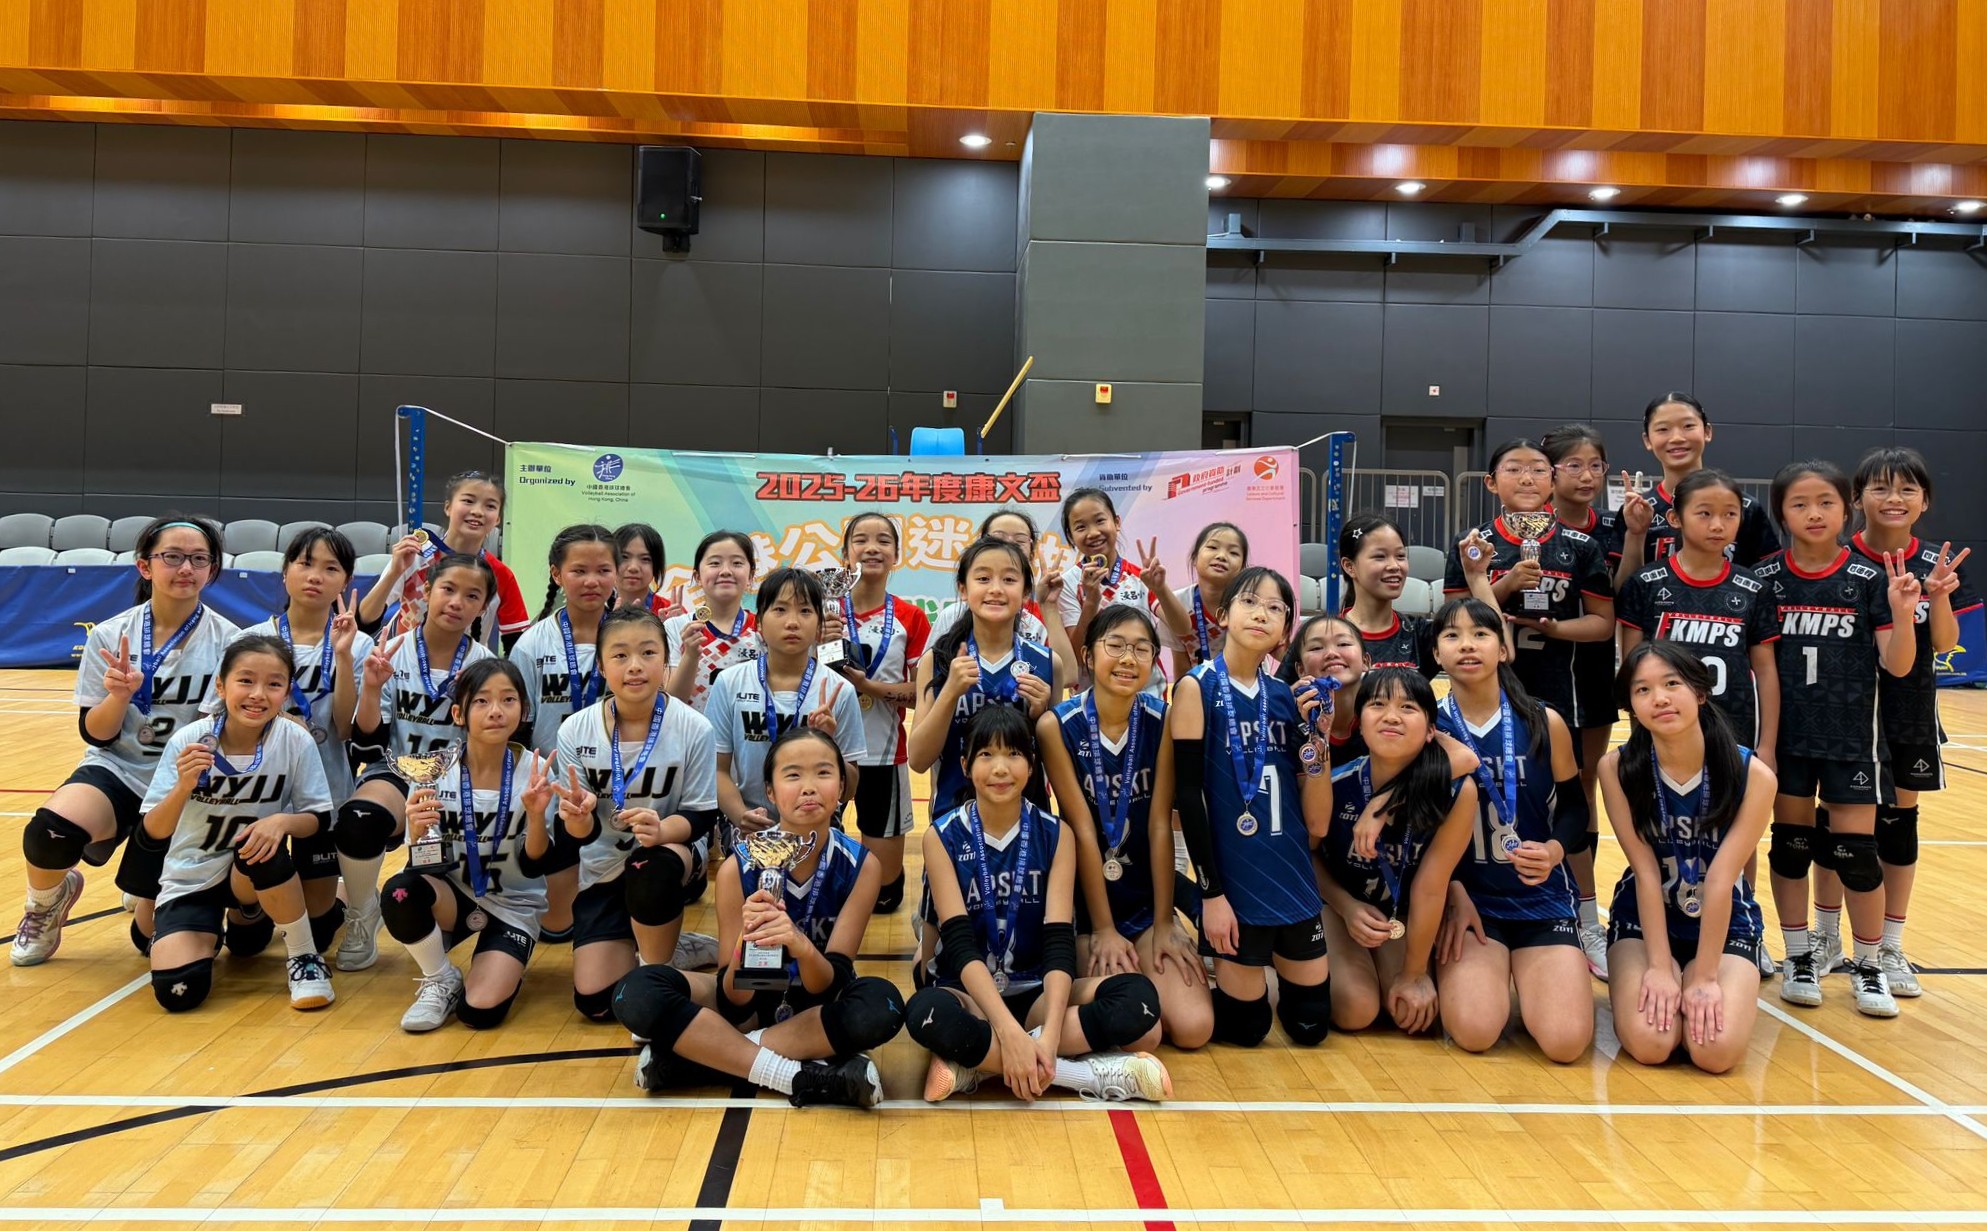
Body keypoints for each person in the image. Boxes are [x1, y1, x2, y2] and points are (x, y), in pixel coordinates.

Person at [610, 727, 902, 1107]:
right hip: (747, 1006)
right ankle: (799, 1076)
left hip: (815, 1007)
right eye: (793, 775)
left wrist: (799, 945)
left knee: (882, 1005)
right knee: (635, 992)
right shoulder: (738, 867)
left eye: (823, 773)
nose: (809, 787)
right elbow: (733, 999)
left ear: (842, 786)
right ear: (770, 792)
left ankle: (698, 1059)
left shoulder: (862, 866)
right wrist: (746, 943)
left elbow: (831, 983)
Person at [907, 706, 1172, 1102]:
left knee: (1140, 1000)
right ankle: (1083, 1076)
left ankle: (978, 1064)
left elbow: (1059, 944)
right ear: (965, 766)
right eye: (986, 755)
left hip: (1036, 991)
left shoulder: (1056, 835)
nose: (1000, 768)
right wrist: (1010, 1032)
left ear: (1032, 766)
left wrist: (1048, 1035)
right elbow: (960, 947)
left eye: (1013, 754)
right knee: (924, 1013)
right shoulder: (942, 836)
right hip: (970, 996)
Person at [12, 515, 240, 966]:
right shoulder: (111, 634)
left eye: (199, 559)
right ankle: (46, 903)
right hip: (119, 767)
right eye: (172, 557)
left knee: (150, 939)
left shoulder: (230, 641)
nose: (186, 568)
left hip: (186, 781)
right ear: (144, 566)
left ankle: (153, 878)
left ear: (212, 570)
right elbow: (95, 733)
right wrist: (118, 697)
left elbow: (222, 733)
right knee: (49, 832)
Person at [1757, 460, 1921, 1016]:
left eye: (1825, 502)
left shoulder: (1869, 579)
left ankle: (1868, 965)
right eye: (1799, 504)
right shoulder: (1763, 580)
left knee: (1858, 857)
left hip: (1852, 740)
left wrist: (1903, 615)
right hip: (1788, 738)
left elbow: (1898, 665)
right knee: (1791, 848)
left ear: (1845, 508)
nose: (1814, 513)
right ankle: (1799, 955)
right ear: (1781, 513)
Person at [1819, 448, 1977, 995]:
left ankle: (1889, 945)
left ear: (1924, 501)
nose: (1894, 499)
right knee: (1834, 825)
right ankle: (1826, 936)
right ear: (1857, 498)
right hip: (1842, 714)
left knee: (1898, 826)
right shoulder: (1837, 558)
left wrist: (1938, 598)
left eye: (1907, 489)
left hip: (1909, 713)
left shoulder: (1938, 561)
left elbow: (1947, 644)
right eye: (1880, 488)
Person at [1171, 566, 1336, 1048]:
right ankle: (1186, 901)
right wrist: (1211, 895)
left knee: (1310, 1027)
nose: (1261, 613)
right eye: (1249, 602)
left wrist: (1320, 740)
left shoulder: (1286, 698)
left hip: (1290, 872)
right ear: (1223, 615)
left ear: (1286, 631)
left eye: (1275, 608)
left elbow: (1317, 818)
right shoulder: (1196, 688)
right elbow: (1189, 796)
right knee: (1247, 1030)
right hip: (1233, 881)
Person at [1038, 606, 1212, 1049]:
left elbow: (1159, 825)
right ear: (1088, 655)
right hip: (1086, 907)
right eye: (1114, 645)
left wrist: (1164, 922)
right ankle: (1048, 1007)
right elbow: (1081, 829)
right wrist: (1103, 929)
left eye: (1141, 649)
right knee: (1141, 1030)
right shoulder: (1056, 726)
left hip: (1144, 903)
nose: (1128, 659)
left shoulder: (1164, 719)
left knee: (1194, 1028)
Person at [1429, 597, 1593, 1064]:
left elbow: (1575, 809)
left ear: (1503, 650)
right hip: (1469, 905)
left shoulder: (1544, 721)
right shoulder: (1430, 727)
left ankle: (1534, 976)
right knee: (1475, 1031)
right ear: (1437, 653)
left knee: (1565, 1043)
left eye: (1481, 634)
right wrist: (1452, 890)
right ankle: (1490, 976)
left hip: (1541, 900)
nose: (1467, 645)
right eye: (1452, 636)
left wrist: (1556, 850)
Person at [1599, 642, 1772, 1073]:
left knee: (1714, 1051)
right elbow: (1644, 871)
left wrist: (1706, 977)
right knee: (1652, 1043)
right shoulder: (1616, 769)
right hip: (1644, 920)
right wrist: (1660, 968)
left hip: (1725, 923)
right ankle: (1669, 970)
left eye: (1671, 684)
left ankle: (1699, 972)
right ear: (1631, 705)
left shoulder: (1753, 775)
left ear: (1699, 691)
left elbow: (1722, 879)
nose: (1659, 698)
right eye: (1642, 690)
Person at [140, 635, 335, 1011]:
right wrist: (182, 787)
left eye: (274, 684)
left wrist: (283, 821)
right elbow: (153, 831)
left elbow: (319, 818)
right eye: (246, 680)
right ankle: (204, 927)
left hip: (249, 874)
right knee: (178, 992)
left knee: (263, 845)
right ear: (221, 685)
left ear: (286, 692)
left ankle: (303, 956)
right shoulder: (190, 739)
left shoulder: (295, 740)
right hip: (191, 876)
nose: (258, 694)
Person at [201, 526, 369, 957]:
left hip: (323, 791)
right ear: (285, 571)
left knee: (319, 928)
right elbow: (217, 718)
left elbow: (346, 729)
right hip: (258, 792)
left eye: (330, 568)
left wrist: (344, 655)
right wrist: (276, 718)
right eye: (305, 563)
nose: (315, 576)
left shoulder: (359, 643)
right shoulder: (249, 641)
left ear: (346, 581)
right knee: (246, 943)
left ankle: (337, 903)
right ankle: (251, 906)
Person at [556, 606, 723, 1022]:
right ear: (601, 665)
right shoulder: (575, 730)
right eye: (620, 655)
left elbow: (701, 815)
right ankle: (672, 947)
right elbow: (579, 832)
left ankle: (656, 974)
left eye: (648, 653)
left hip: (670, 857)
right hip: (605, 867)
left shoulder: (693, 727)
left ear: (665, 660)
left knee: (650, 869)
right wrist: (578, 817)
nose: (635, 666)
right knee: (595, 1002)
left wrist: (662, 830)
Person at [333, 553, 496, 973]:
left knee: (423, 896)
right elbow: (367, 742)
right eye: (448, 589)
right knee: (358, 818)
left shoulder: (485, 666)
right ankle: (362, 911)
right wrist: (372, 688)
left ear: (483, 607)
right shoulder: (393, 650)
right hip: (396, 770)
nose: (457, 602)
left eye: (472, 596)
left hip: (457, 783)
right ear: (426, 591)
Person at [386, 659, 562, 1032]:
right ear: (458, 713)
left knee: (480, 1013)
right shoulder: (433, 770)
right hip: (455, 896)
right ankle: (439, 977)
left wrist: (535, 816)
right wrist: (416, 831)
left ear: (523, 710)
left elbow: (535, 864)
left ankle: (503, 964)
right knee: (400, 892)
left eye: (508, 700)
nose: (496, 711)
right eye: (481, 701)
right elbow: (422, 864)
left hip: (514, 905)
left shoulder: (537, 773)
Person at [1316, 668, 1477, 1034]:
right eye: (1377, 705)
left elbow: (1431, 887)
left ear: (1431, 730)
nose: (1391, 716)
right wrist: (1346, 906)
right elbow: (1306, 857)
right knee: (1356, 1010)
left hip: (1398, 913)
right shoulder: (1336, 784)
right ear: (1359, 725)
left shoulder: (1456, 792)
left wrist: (1415, 974)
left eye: (1408, 707)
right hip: (1338, 907)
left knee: (1407, 1011)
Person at [1540, 424, 1626, 978]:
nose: (1587, 475)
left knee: (1581, 787)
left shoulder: (1612, 529)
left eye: (1596, 465)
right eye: (1574, 464)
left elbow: (1620, 596)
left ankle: (1584, 912)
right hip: (1529, 673)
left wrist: (1634, 538)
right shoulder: (1519, 531)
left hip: (1589, 673)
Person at [509, 524, 618, 945]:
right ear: (557, 574)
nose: (592, 581)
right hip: (554, 786)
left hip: (619, 779)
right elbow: (519, 728)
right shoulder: (532, 644)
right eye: (579, 571)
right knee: (555, 929)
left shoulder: (630, 635)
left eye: (603, 570)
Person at [819, 511, 929, 914]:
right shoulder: (822, 613)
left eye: (883, 540)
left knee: (885, 894)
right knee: (815, 876)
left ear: (896, 555)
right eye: (861, 540)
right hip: (822, 754)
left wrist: (869, 688)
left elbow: (921, 695)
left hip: (883, 755)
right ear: (845, 554)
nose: (872, 548)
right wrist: (817, 644)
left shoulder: (911, 617)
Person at [707, 568, 868, 840]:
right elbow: (717, 769)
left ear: (819, 625)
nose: (792, 622)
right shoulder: (730, 682)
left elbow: (849, 790)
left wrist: (829, 743)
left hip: (817, 827)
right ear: (759, 623)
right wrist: (740, 815)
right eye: (780, 610)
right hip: (749, 826)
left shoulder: (839, 690)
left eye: (805, 611)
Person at [909, 537, 1059, 815]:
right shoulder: (937, 660)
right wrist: (950, 693)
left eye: (1009, 579)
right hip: (955, 818)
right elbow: (918, 760)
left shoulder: (1048, 662)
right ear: (963, 589)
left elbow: (1057, 764)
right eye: (983, 578)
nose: (996, 589)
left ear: (1026, 591)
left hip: (1029, 819)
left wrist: (1040, 717)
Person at [1616, 393, 1781, 585]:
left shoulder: (1745, 508)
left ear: (1707, 431)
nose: (1677, 438)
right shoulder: (1637, 510)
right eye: (1663, 429)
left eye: (1688, 426)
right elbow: (1623, 592)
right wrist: (1636, 535)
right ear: (1647, 440)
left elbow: (1769, 580)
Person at [358, 470, 530, 651]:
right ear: (448, 507)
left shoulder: (500, 574)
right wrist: (394, 572)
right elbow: (364, 621)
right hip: (404, 663)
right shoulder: (415, 555)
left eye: (490, 506)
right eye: (468, 501)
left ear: (498, 519)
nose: (478, 512)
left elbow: (516, 643)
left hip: (468, 667)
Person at [1057, 487, 1193, 688]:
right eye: (1081, 527)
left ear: (1117, 522)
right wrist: (1091, 603)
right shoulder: (1067, 584)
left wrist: (1161, 589)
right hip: (1094, 694)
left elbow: (1183, 628)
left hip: (1146, 691)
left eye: (1100, 521)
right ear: (1070, 536)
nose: (1093, 533)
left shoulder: (1141, 577)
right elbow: (1078, 656)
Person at [931, 509, 1076, 680]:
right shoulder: (951, 615)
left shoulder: (1038, 617)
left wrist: (1049, 606)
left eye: (1019, 541)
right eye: (998, 539)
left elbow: (1067, 677)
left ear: (1031, 553)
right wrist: (951, 690)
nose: (1008, 546)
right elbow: (928, 679)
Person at [664, 530, 762, 712]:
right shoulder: (676, 627)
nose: (725, 571)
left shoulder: (764, 629)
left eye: (737, 563)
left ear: (750, 576)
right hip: (693, 730)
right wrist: (690, 656)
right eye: (715, 563)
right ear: (698, 577)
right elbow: (672, 703)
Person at [1337, 515, 1437, 677]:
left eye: (1400, 556)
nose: (1394, 566)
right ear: (1349, 566)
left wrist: (1475, 576)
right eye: (1380, 557)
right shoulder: (1324, 636)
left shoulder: (1420, 634)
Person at [1168, 522, 1248, 680]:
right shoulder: (1176, 603)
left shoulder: (1251, 605)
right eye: (1212, 547)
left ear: (1242, 568)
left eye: (1233, 552)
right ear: (1194, 558)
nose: (1222, 556)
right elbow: (1181, 666)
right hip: (1198, 688)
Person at [613, 523, 683, 620]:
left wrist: (673, 628)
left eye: (645, 559)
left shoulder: (673, 613)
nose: (633, 567)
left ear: (656, 566)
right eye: (624, 557)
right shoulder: (596, 610)